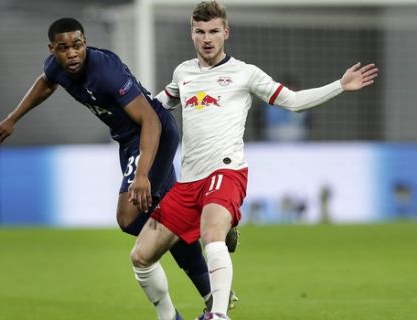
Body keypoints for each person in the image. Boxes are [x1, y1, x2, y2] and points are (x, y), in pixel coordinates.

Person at [129, 1, 379, 319]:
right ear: (191, 34)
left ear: (226, 32)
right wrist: (123, 102)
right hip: (188, 181)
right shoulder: (184, 72)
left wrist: (339, 86)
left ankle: (218, 315)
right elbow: (156, 105)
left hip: (226, 171)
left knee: (211, 236)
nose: (207, 38)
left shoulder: (245, 74)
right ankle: (169, 316)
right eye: (200, 31)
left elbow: (293, 102)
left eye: (214, 31)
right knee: (140, 256)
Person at [0, 17, 222, 317]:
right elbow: (46, 83)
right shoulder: (58, 66)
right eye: (64, 48)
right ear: (52, 49)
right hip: (127, 141)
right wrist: (12, 118)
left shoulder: (105, 71)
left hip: (152, 135)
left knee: (128, 216)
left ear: (85, 43)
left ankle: (192, 231)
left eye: (78, 45)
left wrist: (143, 174)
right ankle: (211, 292)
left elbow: (149, 120)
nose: (72, 53)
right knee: (165, 218)